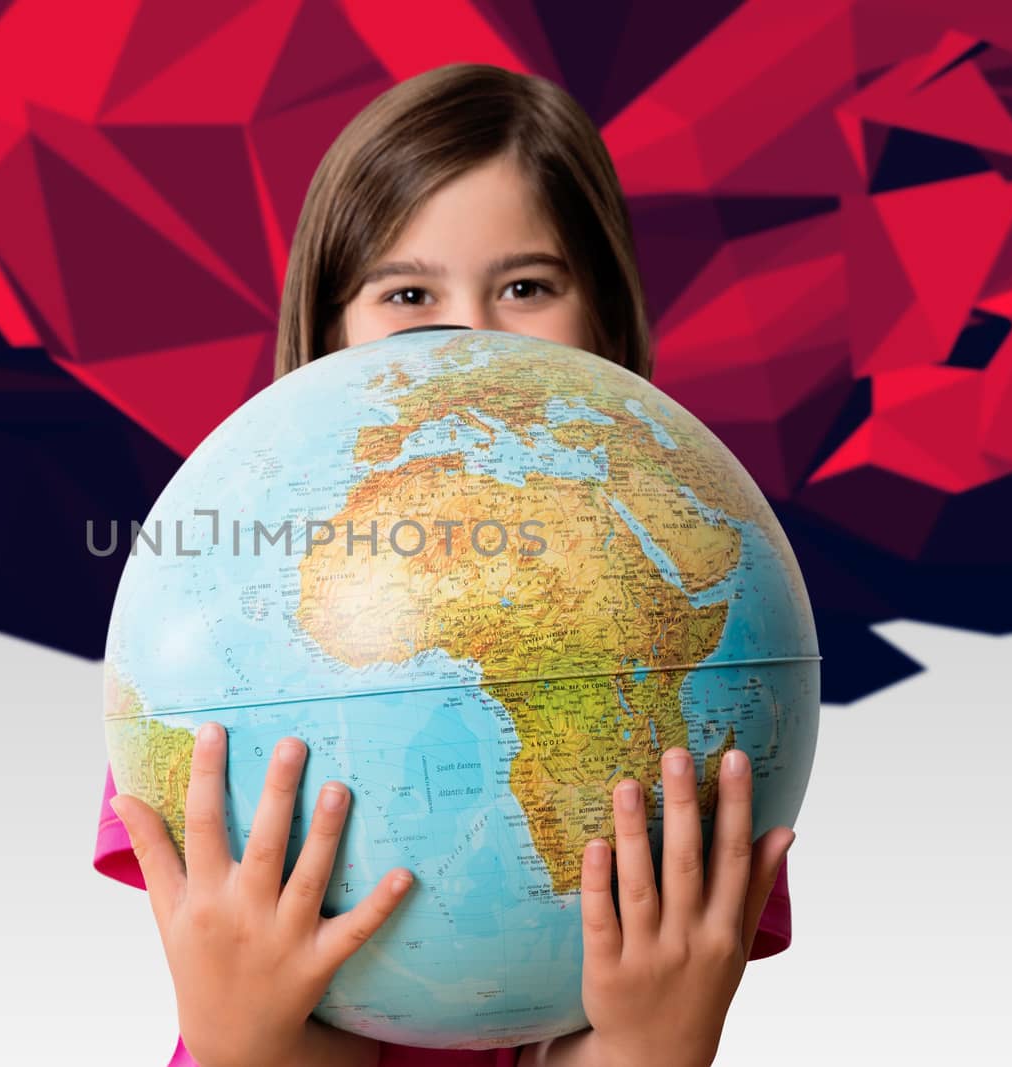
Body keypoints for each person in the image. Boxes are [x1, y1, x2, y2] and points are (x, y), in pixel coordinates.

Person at [94, 63, 796, 1067]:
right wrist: (241, 1030)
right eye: (407, 291)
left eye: (524, 286)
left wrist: (653, 1042)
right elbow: (270, 1026)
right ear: (330, 331)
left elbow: (623, 1039)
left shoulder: (701, 623)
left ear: (602, 318)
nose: (464, 330)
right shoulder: (222, 635)